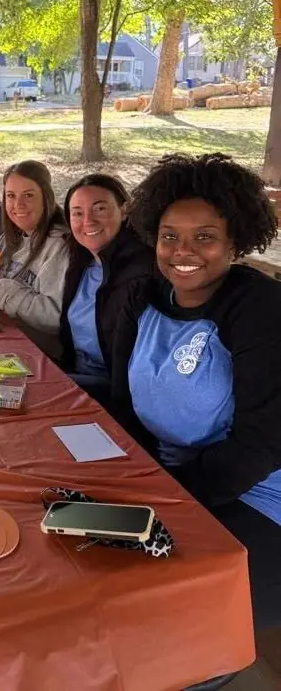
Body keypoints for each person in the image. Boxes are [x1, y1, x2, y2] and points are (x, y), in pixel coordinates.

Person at [111, 153, 281, 629]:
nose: (183, 251)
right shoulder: (142, 296)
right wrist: (130, 482)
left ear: (235, 242)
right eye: (171, 237)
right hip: (170, 481)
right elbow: (123, 403)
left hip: (260, 494)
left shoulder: (260, 309)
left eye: (204, 237)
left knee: (177, 614)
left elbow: (260, 445)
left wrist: (167, 498)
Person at [59, 174, 154, 404]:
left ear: (124, 210)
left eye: (100, 209)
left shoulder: (141, 272)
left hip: (116, 391)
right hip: (76, 373)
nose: (88, 221)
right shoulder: (81, 262)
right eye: (78, 213)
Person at [0, 160, 69, 360]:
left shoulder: (59, 246)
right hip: (1, 339)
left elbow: (52, 317)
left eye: (28, 195)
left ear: (46, 197)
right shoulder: (10, 238)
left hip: (41, 357)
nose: (18, 205)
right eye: (11, 196)